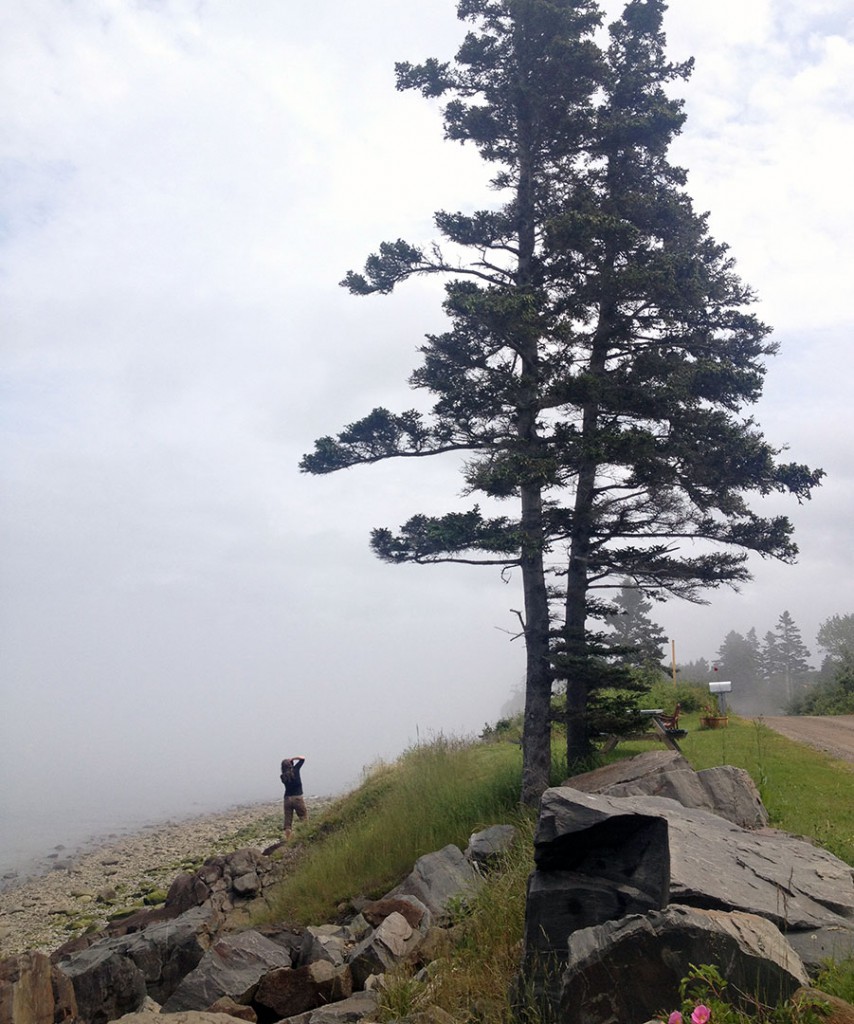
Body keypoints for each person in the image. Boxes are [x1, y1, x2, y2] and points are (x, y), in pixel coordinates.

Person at [280, 756, 307, 838]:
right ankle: (306, 834)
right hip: (297, 797)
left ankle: (288, 839)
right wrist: (293, 758)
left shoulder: (282, 776)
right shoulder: (296, 770)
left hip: (287, 799)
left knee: (288, 820)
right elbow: (303, 758)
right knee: (303, 817)